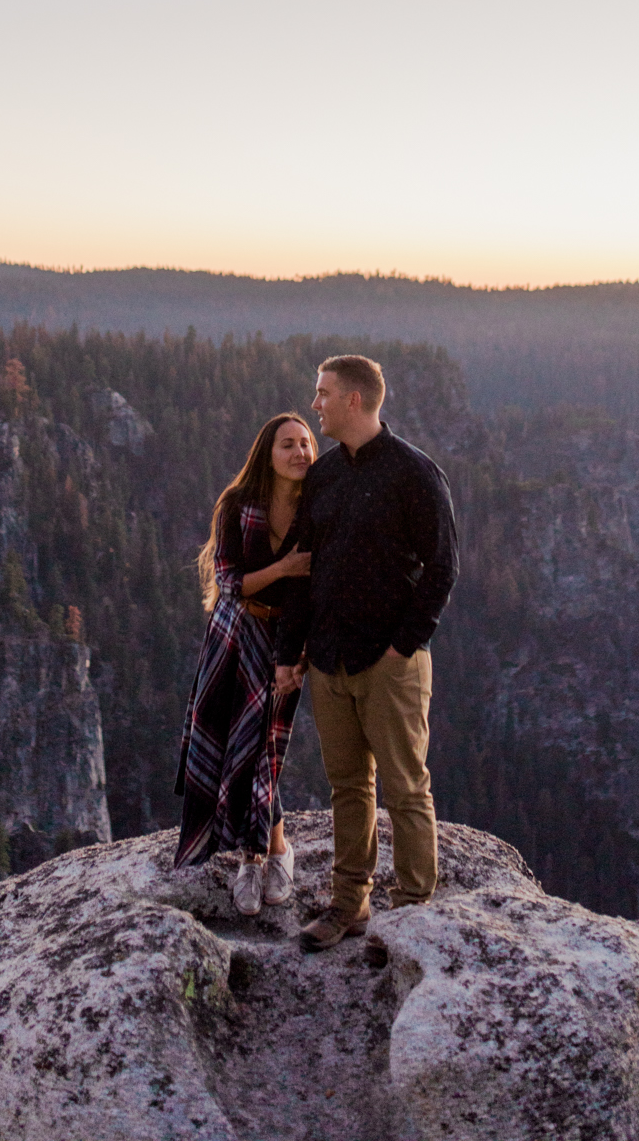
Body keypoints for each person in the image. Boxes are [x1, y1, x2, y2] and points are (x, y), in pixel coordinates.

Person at [276, 354, 459, 951]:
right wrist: (291, 652)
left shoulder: (415, 475)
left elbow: (443, 568)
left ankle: (408, 916)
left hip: (390, 664)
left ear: (354, 400)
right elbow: (303, 569)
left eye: (323, 393)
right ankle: (349, 905)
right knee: (348, 786)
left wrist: (401, 646)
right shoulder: (325, 477)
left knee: (406, 787)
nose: (316, 403)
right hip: (329, 661)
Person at [174, 411, 315, 914]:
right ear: (267, 453)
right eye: (288, 444)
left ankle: (266, 854)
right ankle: (263, 856)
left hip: (286, 640)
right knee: (237, 745)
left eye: (306, 443)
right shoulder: (238, 505)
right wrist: (284, 567)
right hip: (235, 634)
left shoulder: (316, 508)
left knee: (265, 749)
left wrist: (299, 654)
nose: (300, 452)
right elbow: (230, 582)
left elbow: (316, 588)